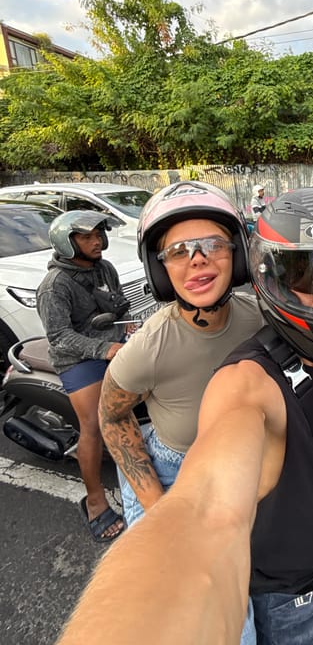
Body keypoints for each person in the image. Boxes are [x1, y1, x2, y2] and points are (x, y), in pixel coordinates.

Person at [57, 187, 313, 645]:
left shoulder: (272, 319)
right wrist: (160, 509)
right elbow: (208, 507)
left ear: (239, 259)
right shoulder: (179, 359)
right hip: (186, 466)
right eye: (305, 276)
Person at [98, 181, 264, 528]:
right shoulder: (149, 345)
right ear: (161, 272)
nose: (198, 258)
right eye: (178, 251)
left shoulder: (260, 319)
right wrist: (158, 509)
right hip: (176, 473)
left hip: (249, 462)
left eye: (213, 244)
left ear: (238, 256)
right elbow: (112, 417)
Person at [36, 210, 131, 542]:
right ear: (67, 241)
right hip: (76, 358)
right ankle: (94, 501)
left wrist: (128, 323)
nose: (97, 242)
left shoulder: (104, 268)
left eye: (98, 235)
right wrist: (103, 350)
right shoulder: (55, 286)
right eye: (87, 237)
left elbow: (119, 305)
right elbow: (59, 337)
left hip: (113, 346)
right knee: (93, 426)